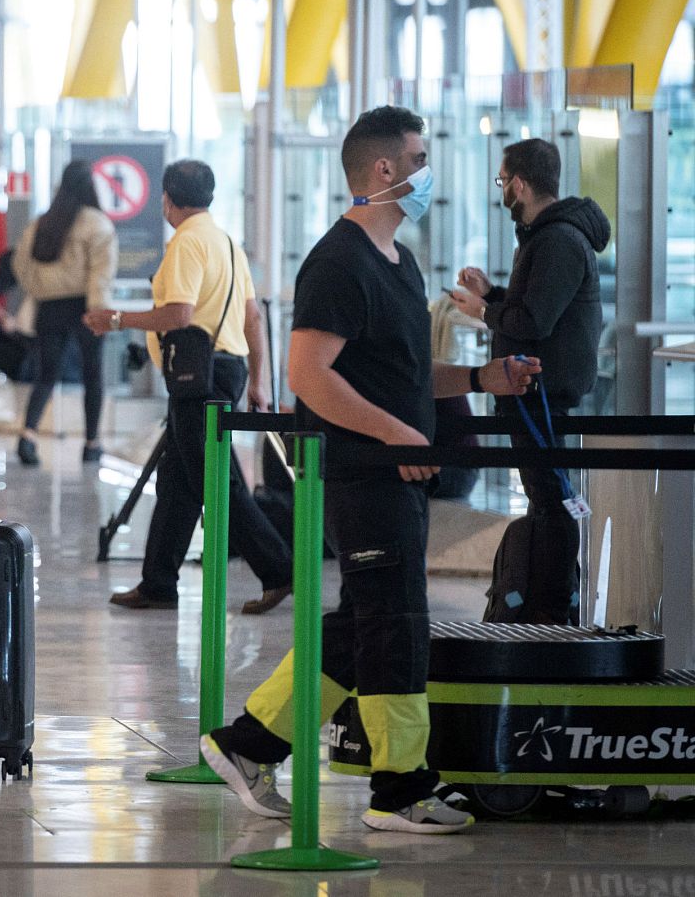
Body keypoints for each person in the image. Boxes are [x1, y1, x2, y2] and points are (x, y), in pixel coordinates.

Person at [201, 106, 538, 835]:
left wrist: (485, 377)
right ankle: (401, 786)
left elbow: (407, 378)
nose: (427, 172)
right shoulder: (338, 261)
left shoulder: (399, 262)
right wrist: (396, 438)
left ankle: (247, 745)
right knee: (395, 625)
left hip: (397, 472)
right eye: (419, 157)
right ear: (384, 170)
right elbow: (308, 375)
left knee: (362, 625)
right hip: (364, 475)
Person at [87, 159, 292, 613]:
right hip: (226, 369)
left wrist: (116, 319)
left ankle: (279, 570)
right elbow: (253, 318)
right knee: (178, 482)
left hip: (201, 376)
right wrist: (258, 379)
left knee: (217, 480)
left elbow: (179, 315)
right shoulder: (227, 243)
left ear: (167, 199)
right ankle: (158, 582)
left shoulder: (187, 243)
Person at [450, 138, 609, 621]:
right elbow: (535, 307)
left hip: (542, 395)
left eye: (502, 182)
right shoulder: (548, 236)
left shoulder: (558, 239)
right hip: (531, 392)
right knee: (548, 499)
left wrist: (484, 311)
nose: (502, 192)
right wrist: (493, 294)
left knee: (553, 502)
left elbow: (535, 321)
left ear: (519, 183)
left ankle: (551, 608)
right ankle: (546, 604)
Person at [13, 160, 116, 466]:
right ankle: (91, 443)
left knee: (46, 374)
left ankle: (27, 436)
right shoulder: (98, 224)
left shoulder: (44, 222)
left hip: (50, 308)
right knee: (92, 374)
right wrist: (99, 312)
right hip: (86, 307)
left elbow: (21, 264)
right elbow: (101, 274)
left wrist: (40, 290)